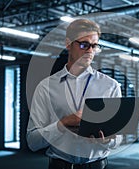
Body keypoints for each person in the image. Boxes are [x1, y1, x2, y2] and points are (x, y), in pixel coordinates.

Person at [26, 18, 123, 169]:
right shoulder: (46, 87)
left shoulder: (110, 86)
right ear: (68, 44)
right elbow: (32, 141)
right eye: (84, 44)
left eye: (94, 46)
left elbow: (118, 138)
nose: (90, 51)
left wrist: (108, 140)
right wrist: (62, 124)